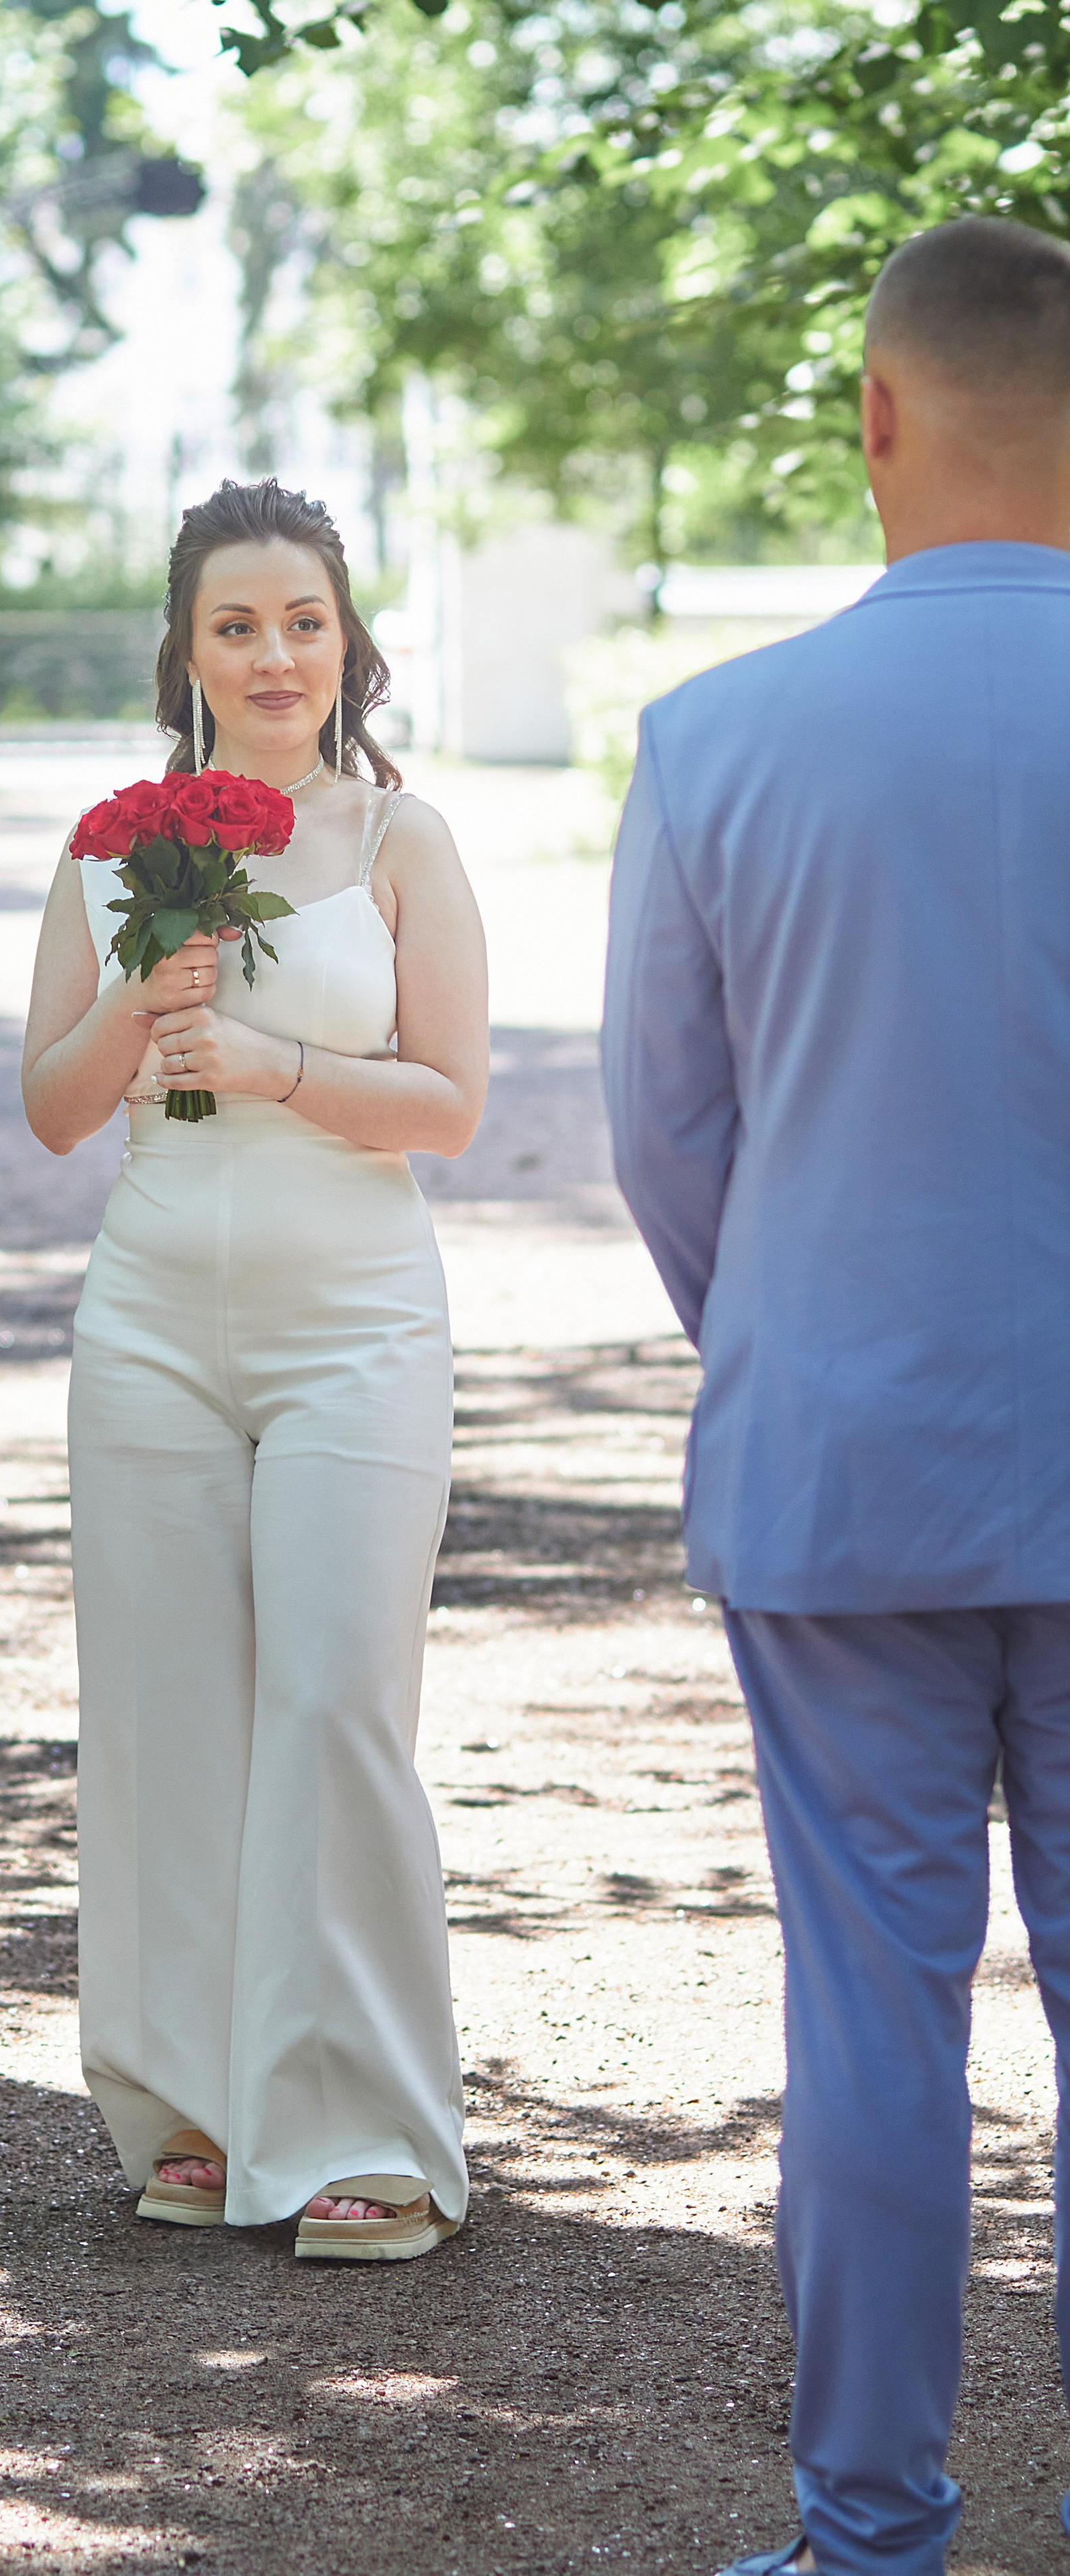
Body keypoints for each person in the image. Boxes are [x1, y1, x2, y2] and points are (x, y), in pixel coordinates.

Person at [602, 215, 1070, 2575]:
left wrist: (800, 1330)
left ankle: (870, 2535)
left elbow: (669, 1146)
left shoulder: (718, 739)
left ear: (875, 414)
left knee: (873, 2023)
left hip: (843, 1471)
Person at [22, 477, 488, 2259]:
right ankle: (197, 2106)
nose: (275, 652)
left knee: (332, 1705)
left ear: (347, 638)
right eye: (237, 625)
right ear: (188, 653)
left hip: (356, 1325)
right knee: (166, 1715)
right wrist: (147, 1001)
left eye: (303, 620)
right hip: (147, 1323)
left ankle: (363, 2125)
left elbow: (449, 1105)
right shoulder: (115, 843)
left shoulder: (396, 843)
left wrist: (278, 1060)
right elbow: (53, 1112)